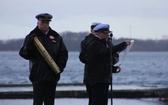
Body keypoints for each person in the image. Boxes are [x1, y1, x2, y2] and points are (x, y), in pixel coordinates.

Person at [19, 13, 68, 105]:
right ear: (38, 22)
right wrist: (29, 46)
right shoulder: (32, 37)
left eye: (47, 22)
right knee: (37, 102)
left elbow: (63, 53)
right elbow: (24, 54)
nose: (45, 24)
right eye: (43, 22)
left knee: (50, 102)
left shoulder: (56, 37)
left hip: (52, 75)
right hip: (38, 75)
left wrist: (60, 67)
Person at [82, 23, 131, 105]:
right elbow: (106, 52)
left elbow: (105, 61)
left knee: (103, 102)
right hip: (97, 78)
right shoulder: (94, 43)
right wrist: (123, 44)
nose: (108, 35)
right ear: (100, 33)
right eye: (106, 33)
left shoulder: (103, 43)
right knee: (97, 101)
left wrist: (114, 69)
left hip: (104, 78)